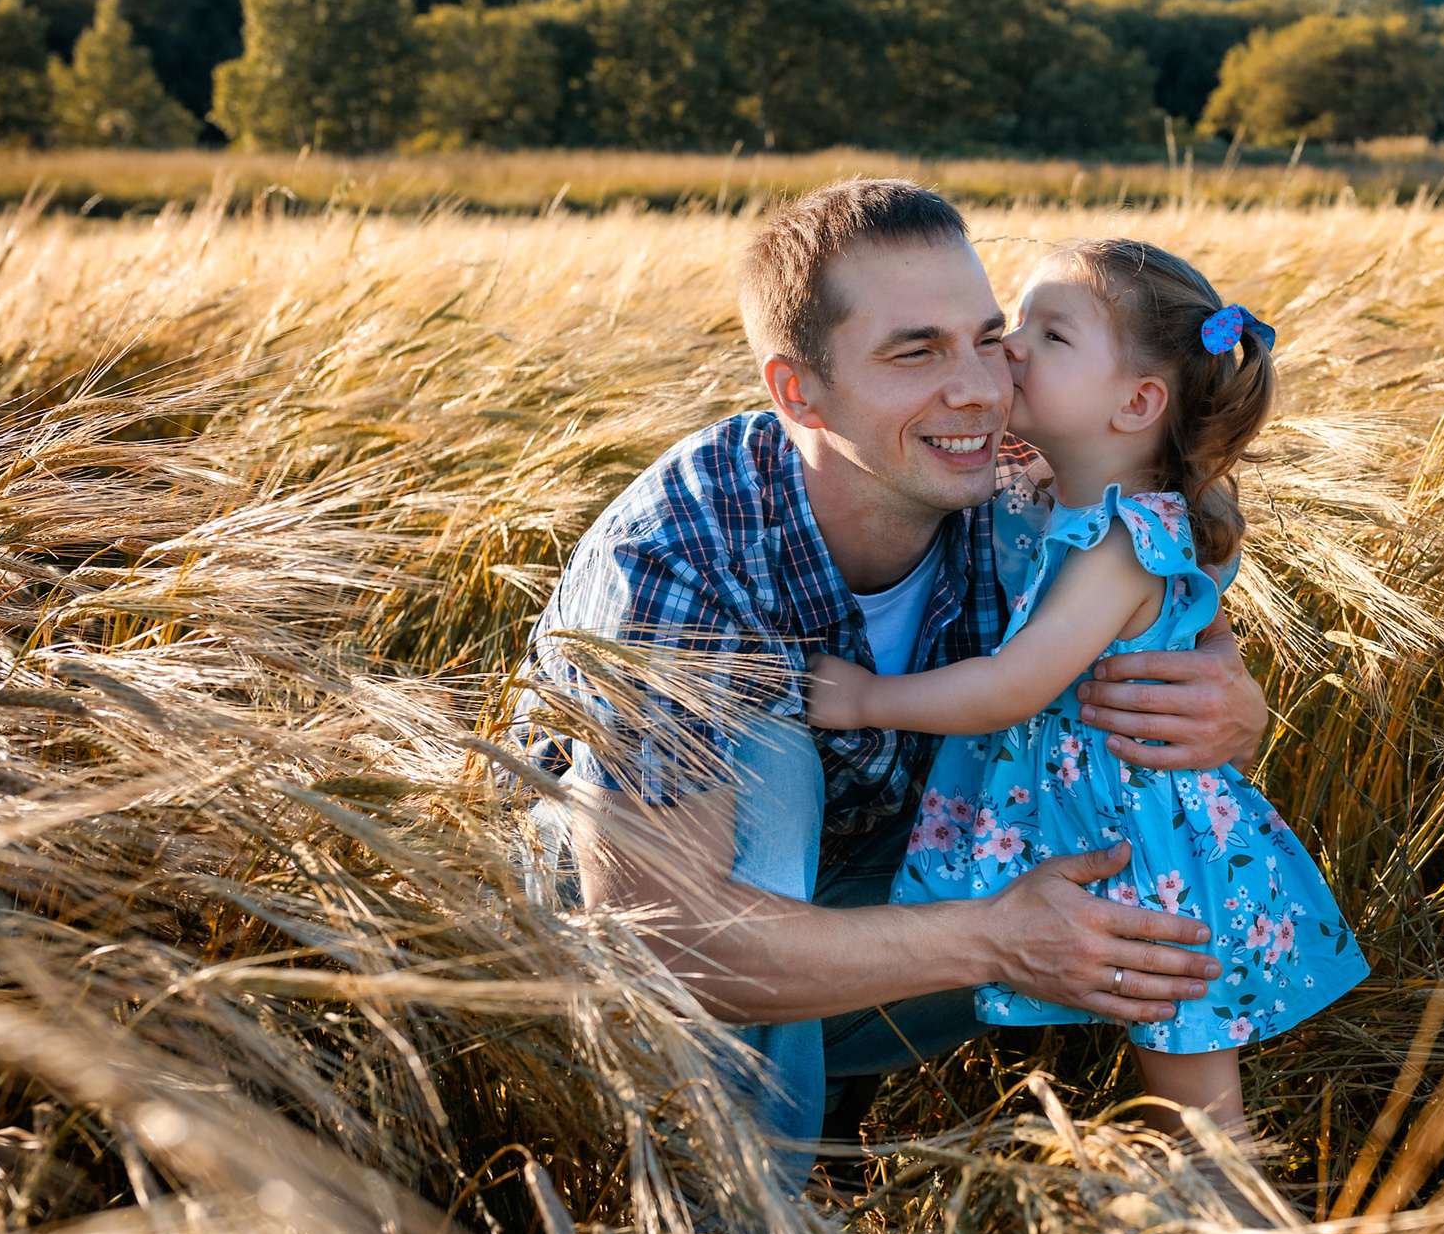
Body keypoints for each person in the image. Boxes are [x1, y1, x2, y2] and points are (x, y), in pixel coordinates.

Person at [510, 179, 1268, 1150]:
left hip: (872, 906)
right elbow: (657, 942)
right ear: (799, 391)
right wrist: (993, 936)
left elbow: (1188, 540)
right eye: (915, 353)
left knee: (1139, 814)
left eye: (988, 338)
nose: (981, 389)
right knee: (774, 762)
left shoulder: (1029, 494)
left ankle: (1205, 1186)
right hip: (620, 965)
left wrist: (1229, 703)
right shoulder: (682, 554)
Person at [805, 239, 1367, 1149]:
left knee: (1200, 1126)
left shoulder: (1116, 542)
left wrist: (869, 699)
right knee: (1175, 1112)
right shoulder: (1062, 499)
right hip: (1113, 829)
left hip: (1145, 850)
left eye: (1050, 334)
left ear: (1138, 402)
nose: (1011, 347)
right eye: (1015, 323)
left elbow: (1012, 686)